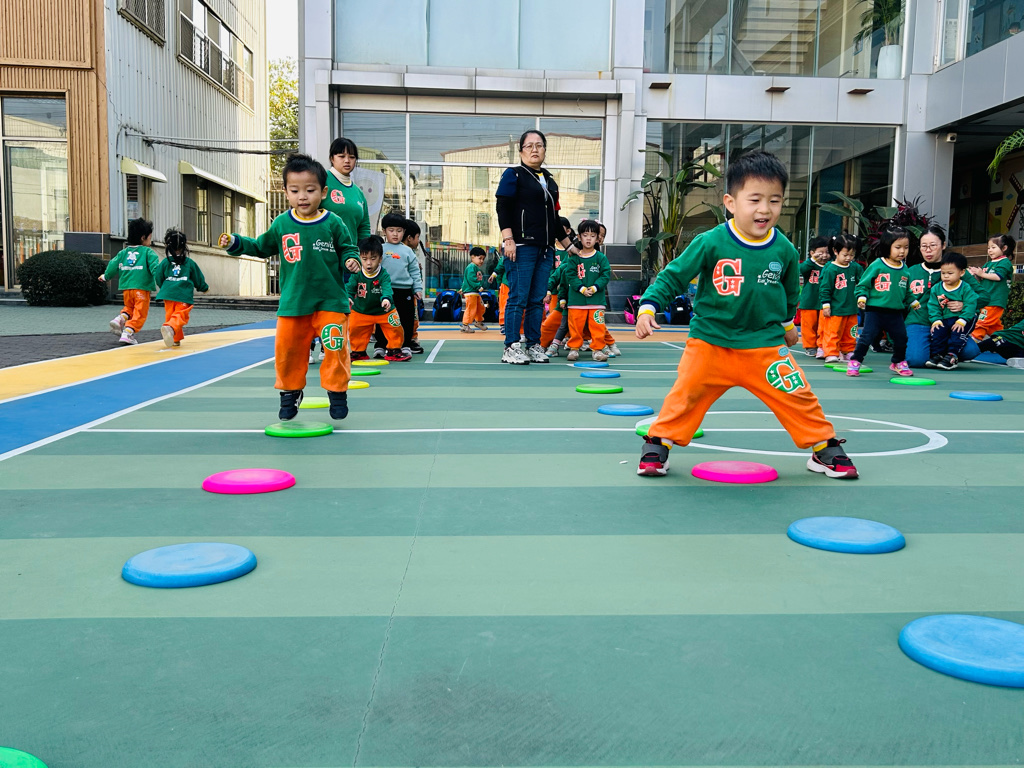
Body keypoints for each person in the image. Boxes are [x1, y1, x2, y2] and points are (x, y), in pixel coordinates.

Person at [634, 150, 857, 480]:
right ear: (731, 202)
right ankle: (659, 443)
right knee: (685, 395)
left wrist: (788, 325)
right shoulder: (710, 242)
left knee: (798, 394)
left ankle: (822, 446)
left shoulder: (784, 249)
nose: (765, 209)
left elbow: (789, 294)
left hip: (764, 346)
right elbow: (673, 275)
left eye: (774, 201)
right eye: (754, 200)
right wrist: (648, 306)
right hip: (711, 343)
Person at [219, 153, 358, 421]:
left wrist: (351, 261)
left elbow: (348, 248)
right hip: (294, 304)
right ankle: (290, 393)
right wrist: (236, 242)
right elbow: (261, 246)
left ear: (323, 192)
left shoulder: (333, 222)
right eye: (295, 191)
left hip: (330, 301)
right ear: (286, 192)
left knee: (335, 348)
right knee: (288, 352)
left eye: (310, 190)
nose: (302, 196)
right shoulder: (282, 223)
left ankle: (337, 392)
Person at [495, 129, 584, 364]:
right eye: (529, 145)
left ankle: (534, 345)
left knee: (537, 299)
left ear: (545, 149)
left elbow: (554, 220)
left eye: (539, 145)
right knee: (518, 297)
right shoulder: (514, 174)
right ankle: (511, 346)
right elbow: (503, 207)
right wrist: (508, 239)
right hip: (521, 245)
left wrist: (569, 247)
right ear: (521, 151)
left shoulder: (549, 181)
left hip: (545, 249)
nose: (535, 149)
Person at [847, 226, 920, 377]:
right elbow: (863, 284)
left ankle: (898, 362)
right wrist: (862, 297)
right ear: (887, 246)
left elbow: (906, 290)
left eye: (906, 247)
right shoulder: (877, 265)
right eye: (898, 247)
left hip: (895, 312)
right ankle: (855, 360)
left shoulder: (905, 269)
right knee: (867, 337)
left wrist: (913, 301)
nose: (902, 251)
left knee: (901, 338)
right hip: (875, 310)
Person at [346, 235, 409, 362]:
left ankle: (394, 350)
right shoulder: (357, 274)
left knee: (395, 327)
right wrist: (348, 297)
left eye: (373, 258)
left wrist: (386, 299)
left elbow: (387, 288)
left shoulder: (383, 274)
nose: (369, 263)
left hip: (384, 310)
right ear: (359, 258)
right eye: (364, 259)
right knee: (355, 328)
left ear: (380, 259)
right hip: (362, 310)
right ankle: (358, 351)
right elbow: (350, 287)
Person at [100, 218, 161, 345]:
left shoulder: (123, 253)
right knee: (140, 313)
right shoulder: (148, 252)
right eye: (150, 238)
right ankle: (128, 332)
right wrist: (163, 283)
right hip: (142, 289)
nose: (150, 241)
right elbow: (156, 269)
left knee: (130, 308)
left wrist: (106, 276)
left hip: (127, 289)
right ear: (143, 238)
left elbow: (112, 265)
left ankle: (120, 319)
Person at [372, 212, 423, 358]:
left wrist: (417, 288)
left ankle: (405, 345)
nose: (395, 234)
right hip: (384, 291)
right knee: (383, 319)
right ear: (384, 231)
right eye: (391, 230)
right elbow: (373, 268)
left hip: (405, 291)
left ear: (404, 232)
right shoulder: (380, 249)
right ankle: (381, 345)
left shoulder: (408, 251)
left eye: (399, 231)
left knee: (406, 319)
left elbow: (414, 271)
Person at [565, 219, 611, 362]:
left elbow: (605, 275)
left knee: (598, 326)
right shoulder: (574, 257)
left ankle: (597, 350)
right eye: (585, 235)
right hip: (577, 300)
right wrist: (582, 289)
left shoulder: (601, 257)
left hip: (597, 300)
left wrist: (595, 287)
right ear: (579, 237)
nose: (589, 239)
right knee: (575, 326)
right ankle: (574, 348)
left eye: (592, 235)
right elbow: (570, 275)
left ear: (598, 238)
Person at [154, 228, 208, 348]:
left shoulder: (165, 263)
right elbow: (198, 277)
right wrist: (203, 287)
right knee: (180, 314)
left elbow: (158, 277)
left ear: (169, 247)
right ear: (184, 247)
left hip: (167, 294)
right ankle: (170, 328)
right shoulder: (189, 263)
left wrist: (165, 287)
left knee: (171, 315)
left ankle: (175, 339)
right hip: (183, 294)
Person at [927, 252, 979, 370]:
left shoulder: (965, 288)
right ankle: (938, 354)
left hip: (964, 318)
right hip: (945, 318)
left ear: (962, 272)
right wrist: (936, 320)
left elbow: (971, 304)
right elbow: (933, 305)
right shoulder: (937, 288)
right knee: (938, 332)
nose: (946, 276)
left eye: (950, 273)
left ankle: (952, 356)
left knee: (957, 334)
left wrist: (963, 320)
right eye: (943, 273)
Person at [817, 233, 862, 363]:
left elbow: (863, 282)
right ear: (835, 251)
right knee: (833, 331)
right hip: (835, 308)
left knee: (851, 332)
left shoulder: (855, 267)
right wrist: (826, 305)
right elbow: (825, 288)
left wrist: (862, 296)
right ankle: (831, 352)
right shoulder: (831, 269)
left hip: (851, 308)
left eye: (852, 255)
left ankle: (848, 350)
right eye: (845, 255)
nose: (849, 258)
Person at [969, 233, 1016, 341]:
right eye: (988, 248)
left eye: (993, 247)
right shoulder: (988, 264)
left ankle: (974, 340)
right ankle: (1002, 341)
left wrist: (982, 274)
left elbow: (998, 277)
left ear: (1004, 248)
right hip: (987, 299)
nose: (990, 250)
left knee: (982, 322)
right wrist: (975, 274)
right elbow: (981, 279)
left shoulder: (1005, 262)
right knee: (994, 327)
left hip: (995, 300)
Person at [798, 236, 830, 357]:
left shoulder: (831, 266)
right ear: (812, 253)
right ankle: (810, 346)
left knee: (824, 326)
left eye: (827, 252)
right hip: (809, 301)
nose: (824, 255)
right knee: (809, 325)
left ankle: (822, 345)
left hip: (824, 302)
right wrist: (812, 260)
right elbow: (801, 269)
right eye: (820, 252)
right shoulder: (809, 264)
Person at [402, 220, 426, 354]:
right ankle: (410, 339)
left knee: (410, 317)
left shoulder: (410, 253)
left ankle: (410, 339)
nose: (418, 241)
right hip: (405, 291)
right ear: (410, 238)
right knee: (410, 318)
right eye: (417, 237)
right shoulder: (404, 252)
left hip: (410, 291)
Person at [460, 247, 487, 333]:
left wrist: (463, 288)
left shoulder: (475, 267)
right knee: (471, 309)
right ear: (472, 257)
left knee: (480, 307)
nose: (482, 261)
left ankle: (479, 321)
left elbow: (466, 280)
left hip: (474, 292)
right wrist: (478, 286)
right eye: (480, 258)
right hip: (471, 292)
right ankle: (465, 325)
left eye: (483, 259)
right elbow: (471, 278)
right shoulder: (471, 267)